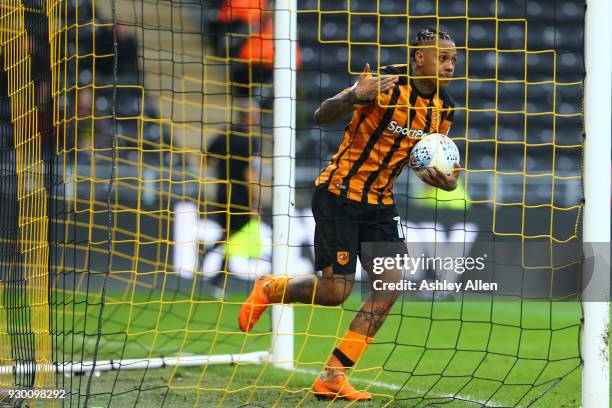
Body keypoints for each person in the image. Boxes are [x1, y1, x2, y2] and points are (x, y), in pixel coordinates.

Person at [238, 27, 461, 401]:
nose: (450, 65)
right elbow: (321, 114)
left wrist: (447, 182)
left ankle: (332, 374)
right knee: (334, 292)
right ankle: (269, 288)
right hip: (339, 192)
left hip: (380, 202)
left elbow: (423, 157)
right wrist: (353, 96)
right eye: (442, 57)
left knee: (390, 285)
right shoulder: (383, 86)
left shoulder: (445, 108)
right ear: (418, 58)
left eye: (454, 59)